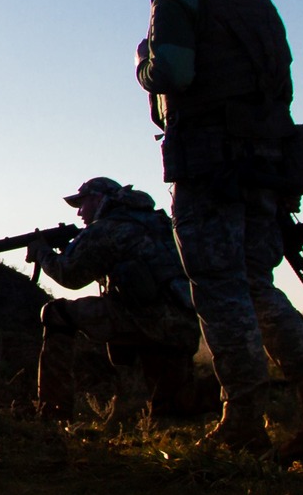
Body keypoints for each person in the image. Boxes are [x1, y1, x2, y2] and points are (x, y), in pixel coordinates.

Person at [135, 0, 303, 461]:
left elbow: (172, 72)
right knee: (257, 285)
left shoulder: (178, 1)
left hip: (210, 168)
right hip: (265, 165)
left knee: (219, 289)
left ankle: (242, 424)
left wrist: (144, 64)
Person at [30, 177, 202, 420]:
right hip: (187, 322)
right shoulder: (158, 222)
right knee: (171, 407)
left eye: (82, 203)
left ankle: (54, 411)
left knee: (55, 313)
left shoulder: (107, 228)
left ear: (98, 199)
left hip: (148, 321)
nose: (79, 212)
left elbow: (69, 276)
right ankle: (167, 408)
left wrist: (42, 253)